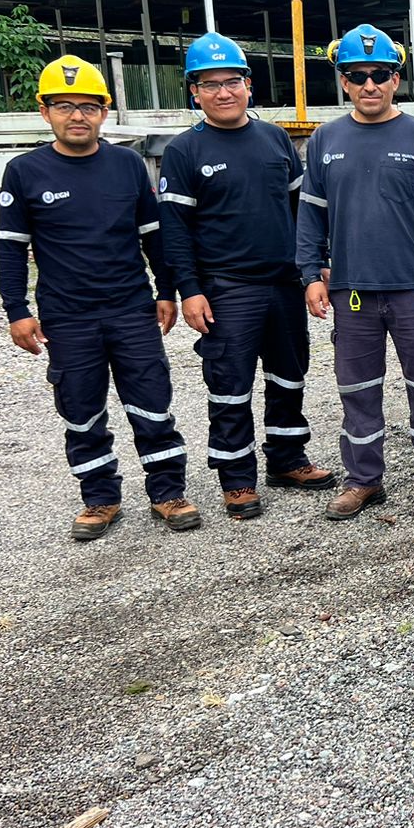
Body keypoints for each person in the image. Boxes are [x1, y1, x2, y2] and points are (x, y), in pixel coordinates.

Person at [0, 56, 200, 541]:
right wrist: (17, 311)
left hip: (131, 310)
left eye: (89, 106)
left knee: (151, 403)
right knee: (81, 409)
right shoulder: (25, 172)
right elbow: (10, 250)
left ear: (104, 113)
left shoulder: (127, 164)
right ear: (44, 112)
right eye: (64, 106)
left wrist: (166, 292)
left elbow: (154, 238)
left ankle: (167, 492)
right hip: (68, 318)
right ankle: (100, 498)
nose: (77, 116)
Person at [157, 32, 335, 520]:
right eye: (208, 84)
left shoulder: (275, 138)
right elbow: (174, 232)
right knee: (230, 386)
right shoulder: (183, 152)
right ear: (194, 91)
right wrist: (187, 291)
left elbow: (304, 211)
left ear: (248, 85)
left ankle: (287, 459)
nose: (222, 92)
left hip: (283, 284)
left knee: (288, 376)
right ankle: (236, 480)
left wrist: (315, 264)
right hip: (225, 288)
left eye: (231, 81)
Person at [295, 24, 414, 520]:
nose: (370, 84)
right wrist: (310, 274)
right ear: (343, 81)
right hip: (352, 293)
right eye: (357, 75)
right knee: (357, 389)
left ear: (396, 78)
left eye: (380, 74)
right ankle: (364, 480)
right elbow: (310, 216)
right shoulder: (326, 140)